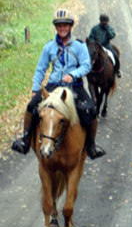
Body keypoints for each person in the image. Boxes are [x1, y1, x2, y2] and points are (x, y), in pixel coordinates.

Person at [11, 9, 106, 160]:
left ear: (70, 26)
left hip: (75, 86)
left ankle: (91, 145)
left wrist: (72, 75)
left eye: (65, 25)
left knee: (90, 110)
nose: (62, 28)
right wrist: (36, 89)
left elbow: (86, 66)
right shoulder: (49, 47)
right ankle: (26, 139)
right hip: (54, 85)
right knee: (32, 107)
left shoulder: (79, 46)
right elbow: (40, 68)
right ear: (56, 27)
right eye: (59, 25)